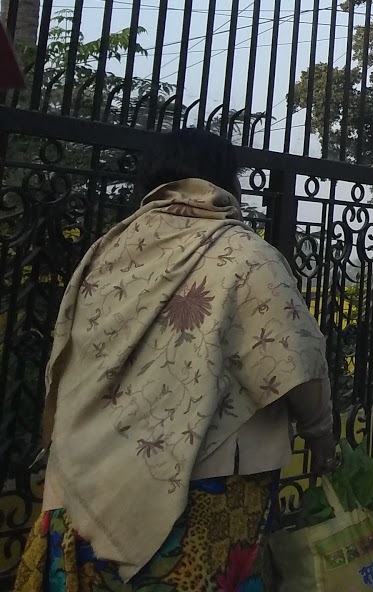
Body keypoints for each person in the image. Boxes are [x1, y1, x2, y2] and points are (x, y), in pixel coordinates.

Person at [16, 127, 336, 592]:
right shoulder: (246, 255)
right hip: (206, 485)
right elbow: (293, 361)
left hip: (88, 475)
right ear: (226, 180)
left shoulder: (106, 251)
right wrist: (320, 435)